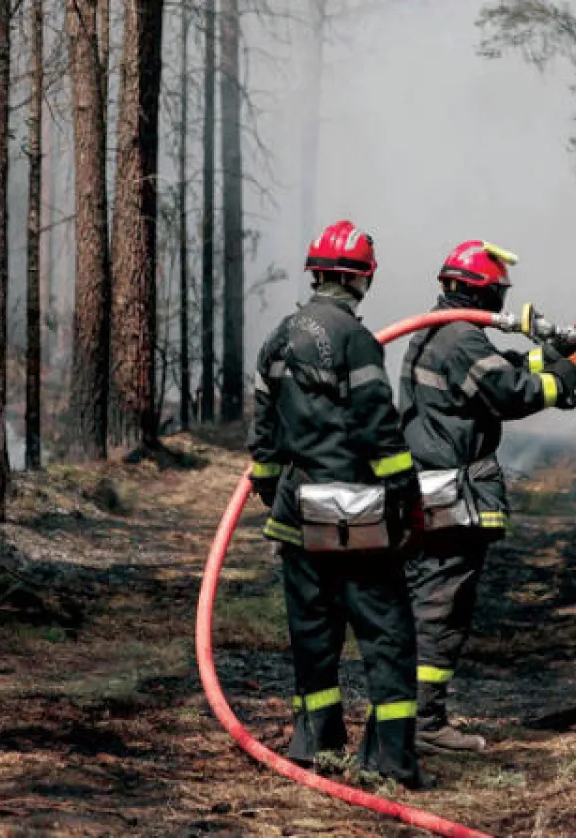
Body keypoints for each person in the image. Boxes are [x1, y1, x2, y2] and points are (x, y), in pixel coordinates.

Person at [398, 240, 576, 753]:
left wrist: (564, 346)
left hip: (432, 489)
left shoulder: (442, 331)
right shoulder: (459, 339)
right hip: (450, 493)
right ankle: (424, 725)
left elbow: (508, 365)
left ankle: (411, 717)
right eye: (497, 294)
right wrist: (572, 371)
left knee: (431, 599)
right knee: (439, 606)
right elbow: (512, 392)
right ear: (482, 290)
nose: (500, 306)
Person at [247, 220, 425, 789]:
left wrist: (278, 496)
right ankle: (392, 761)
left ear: (316, 273)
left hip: (299, 519)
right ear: (362, 280)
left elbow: (265, 441)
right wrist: (405, 497)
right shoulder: (355, 340)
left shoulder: (277, 338)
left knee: (313, 637)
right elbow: (379, 427)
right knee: (387, 636)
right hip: (358, 520)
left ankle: (315, 744)